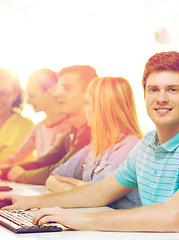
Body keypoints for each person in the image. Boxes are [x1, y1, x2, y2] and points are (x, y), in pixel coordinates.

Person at [0, 51, 179, 239]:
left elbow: (174, 217)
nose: (161, 98)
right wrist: (30, 203)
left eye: (172, 90)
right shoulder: (147, 144)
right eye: (153, 89)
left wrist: (78, 220)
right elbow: (100, 191)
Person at [46, 77, 142, 209]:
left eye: (87, 103)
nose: (84, 108)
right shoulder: (96, 146)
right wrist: (80, 190)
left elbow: (97, 194)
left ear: (104, 107)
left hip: (121, 226)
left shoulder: (129, 147)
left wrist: (79, 188)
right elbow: (53, 177)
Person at [0, 65, 98, 185]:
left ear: (89, 93)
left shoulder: (91, 132)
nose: (58, 93)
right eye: (58, 88)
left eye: (67, 88)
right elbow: (44, 162)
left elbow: (60, 170)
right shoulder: (72, 131)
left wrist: (21, 176)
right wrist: (0, 172)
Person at [0, 68, 70, 169]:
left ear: (50, 93)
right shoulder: (38, 128)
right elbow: (15, 158)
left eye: (32, 96)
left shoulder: (66, 129)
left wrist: (5, 171)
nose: (28, 101)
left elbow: (47, 165)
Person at [0, 68, 34, 167]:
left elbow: (8, 159)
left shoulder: (26, 126)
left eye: (4, 93)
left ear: (15, 95)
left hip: (13, 180)